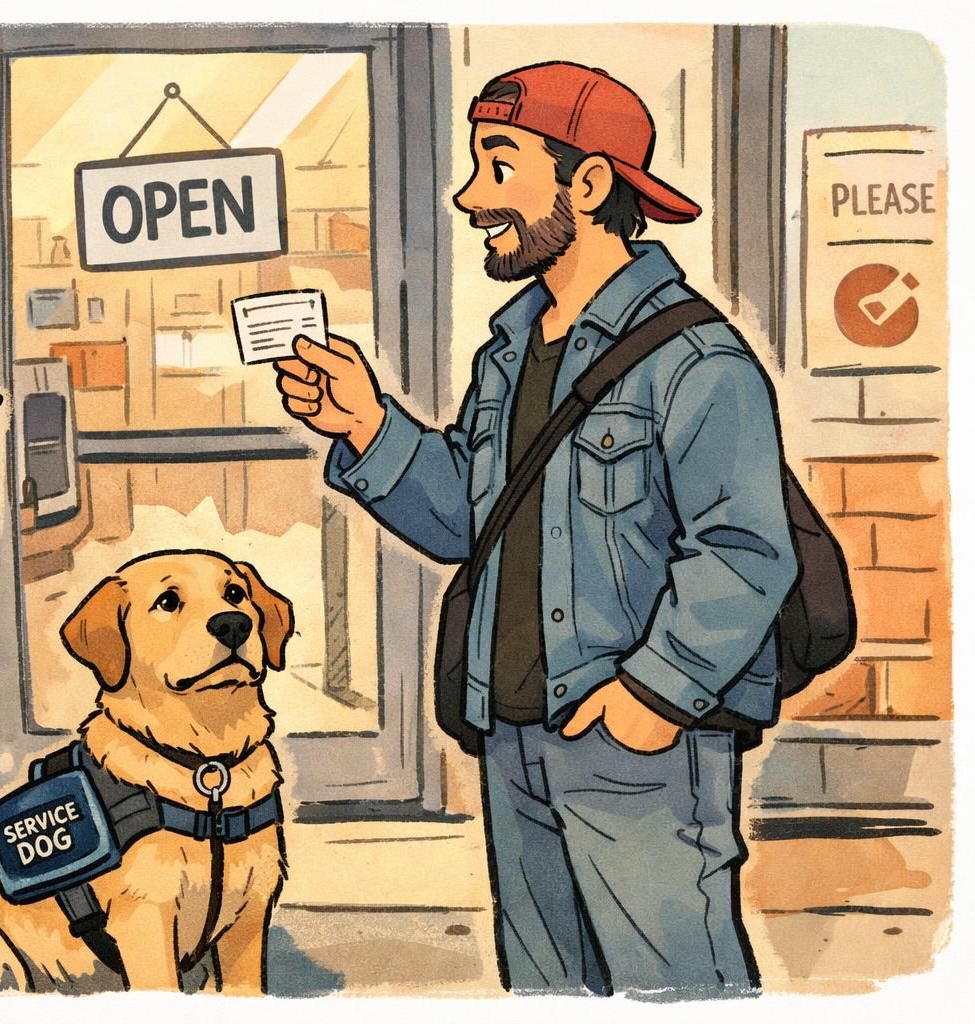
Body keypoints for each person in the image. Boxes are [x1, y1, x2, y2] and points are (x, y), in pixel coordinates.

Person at [275, 62, 797, 997]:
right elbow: (471, 522)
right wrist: (367, 424)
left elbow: (745, 551)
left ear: (588, 185)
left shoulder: (696, 360)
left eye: (499, 165)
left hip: (637, 744)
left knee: (678, 990)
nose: (472, 196)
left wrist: (654, 696)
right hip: (513, 735)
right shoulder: (511, 353)